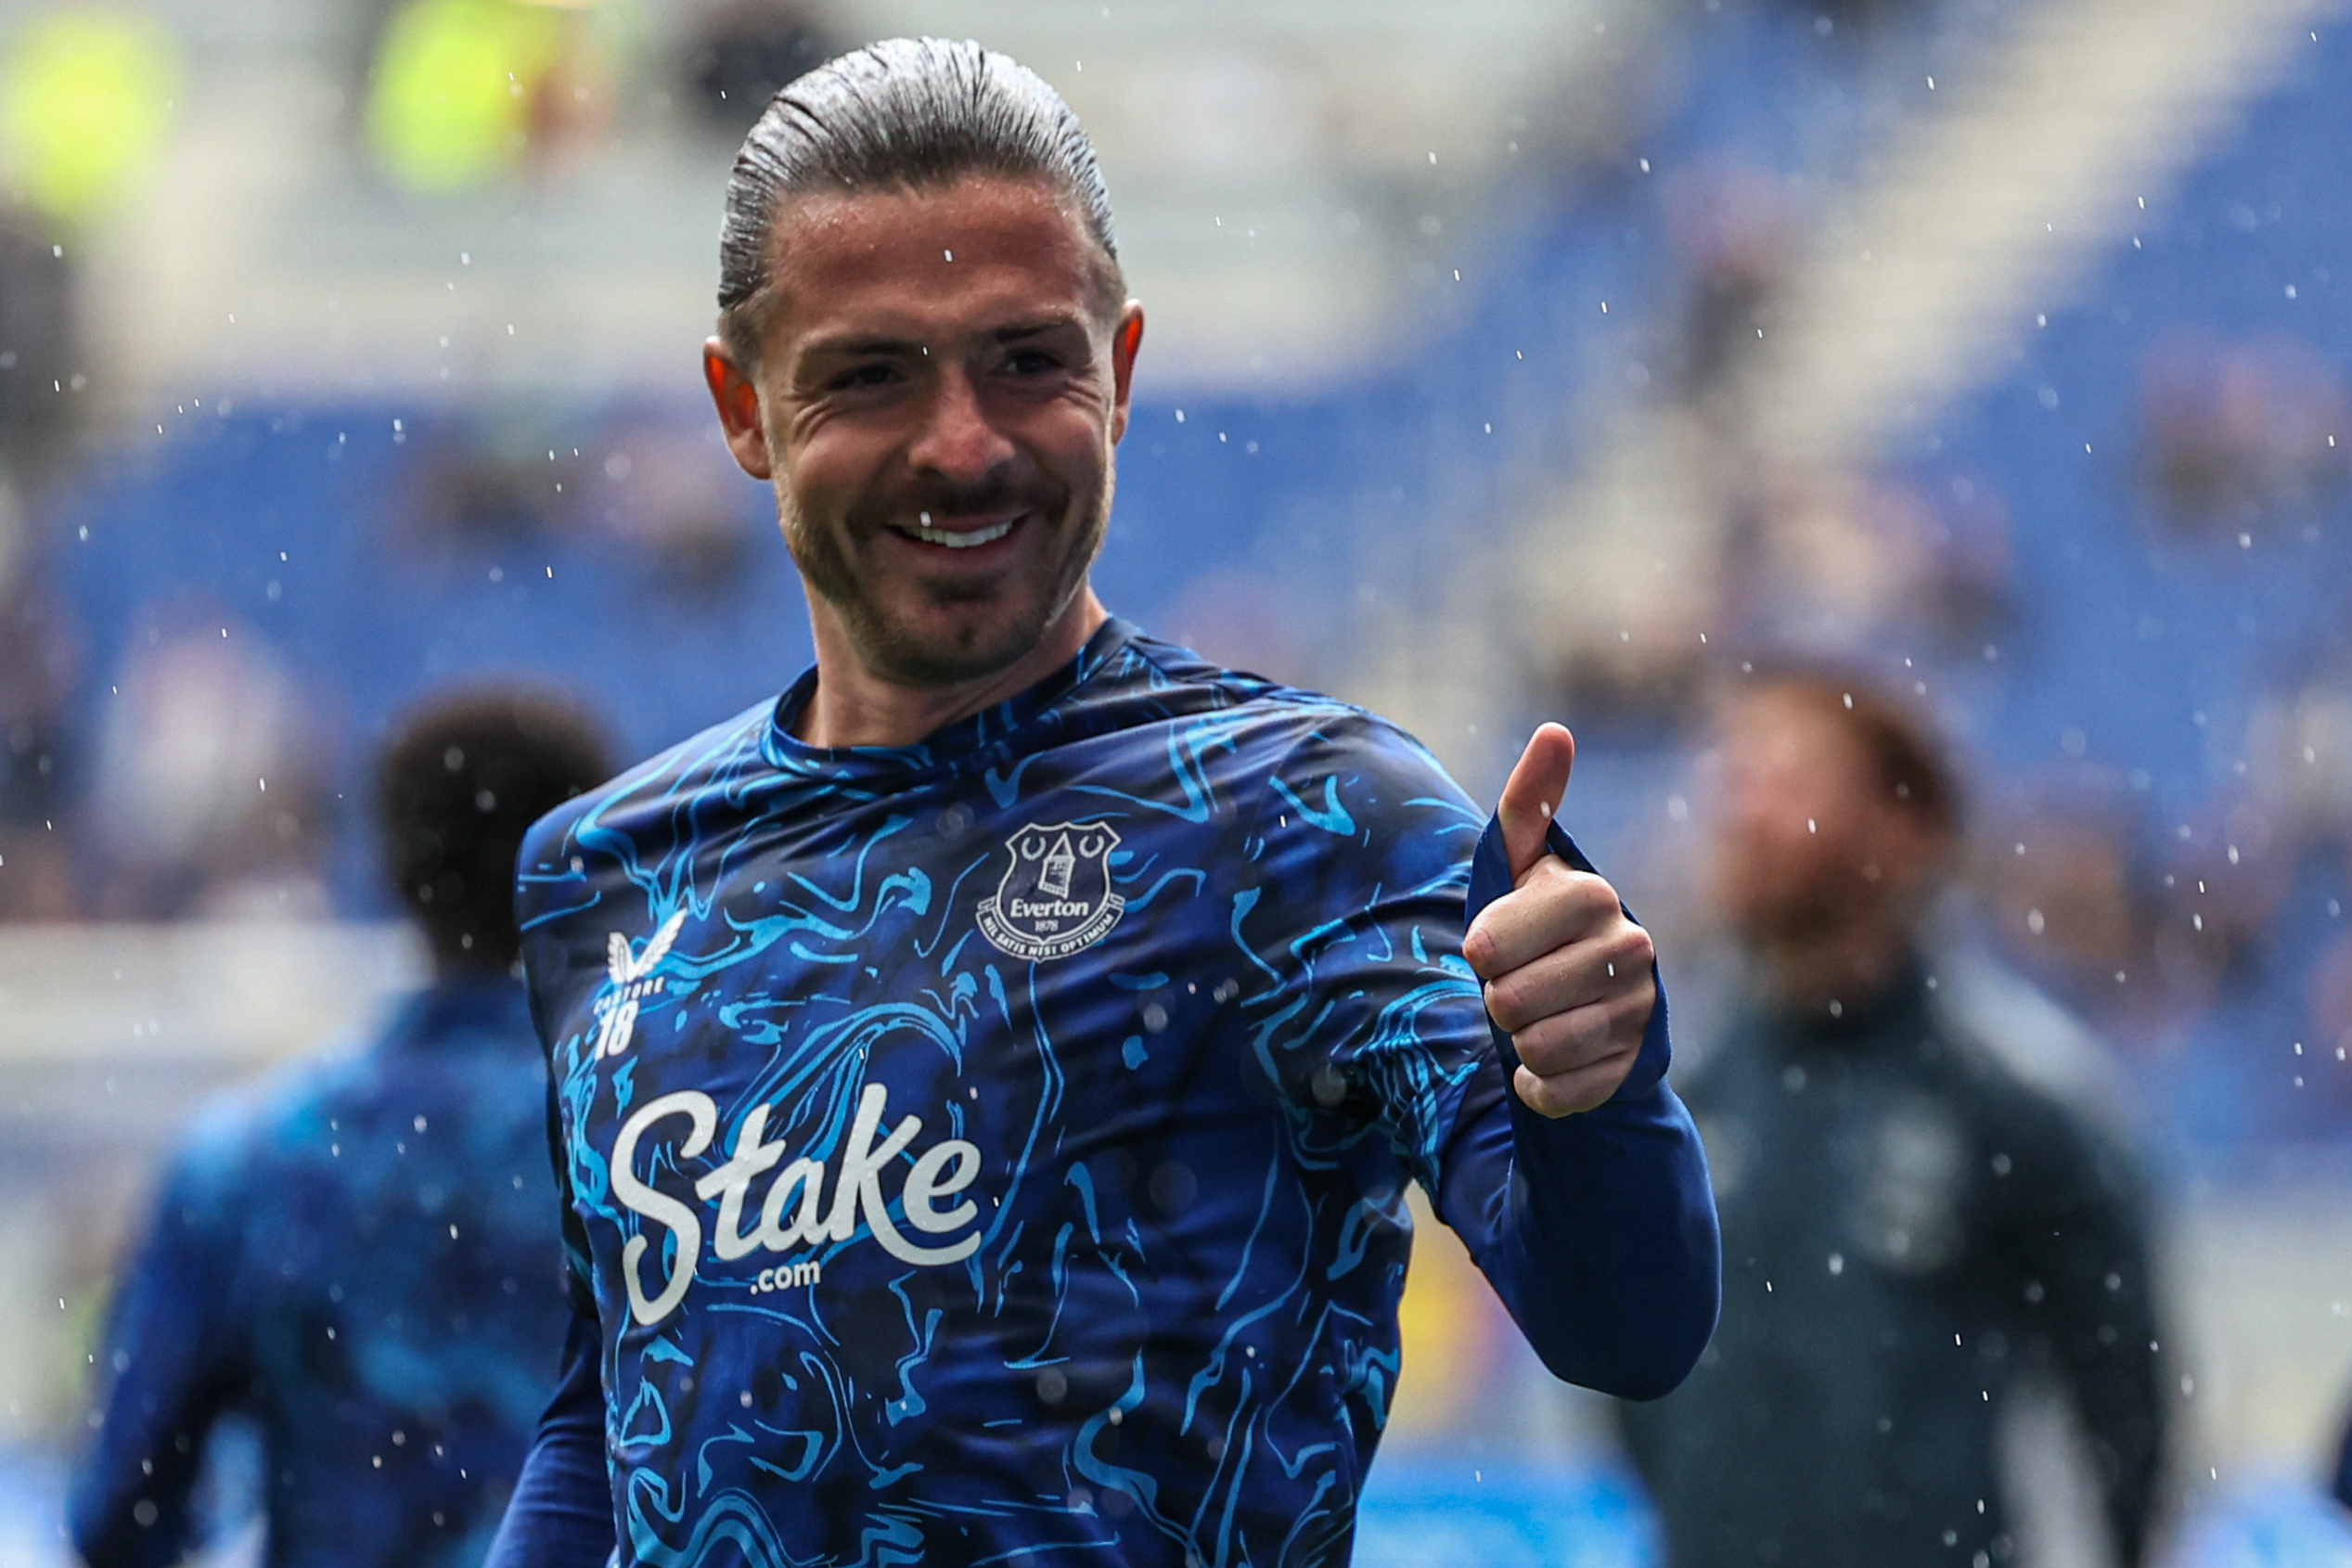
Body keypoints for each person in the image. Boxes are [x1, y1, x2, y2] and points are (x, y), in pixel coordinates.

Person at [485, 38, 1720, 1568]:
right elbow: (607, 1409)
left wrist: (1599, 1098)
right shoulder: (606, 873)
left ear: (1121, 371)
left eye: (1027, 360)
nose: (963, 441)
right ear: (742, 410)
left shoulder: (1317, 825)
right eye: (870, 373)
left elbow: (1627, 1322)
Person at [1618, 671, 2166, 1568]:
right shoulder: (1679, 1095)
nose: (1741, 815)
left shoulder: (2023, 1099)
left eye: (1787, 782)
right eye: (1733, 780)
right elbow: (1632, 1388)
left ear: (1902, 830)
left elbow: (2124, 1412)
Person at [70, 690, 614, 1568]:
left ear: (393, 872)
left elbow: (120, 1514)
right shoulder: (659, 1151)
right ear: (593, 871)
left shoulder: (249, 1161)